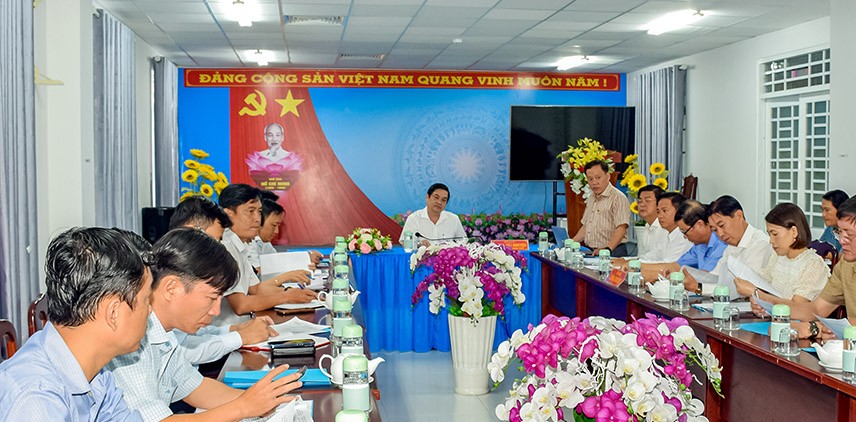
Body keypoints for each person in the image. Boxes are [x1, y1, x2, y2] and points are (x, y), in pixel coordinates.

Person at [108, 228, 303, 421]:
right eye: (211, 298)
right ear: (172, 288)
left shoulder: (165, 334)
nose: (216, 311)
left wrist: (265, 402)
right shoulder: (131, 340)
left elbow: (196, 387)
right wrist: (243, 407)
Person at [0, 227, 152, 420]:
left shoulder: (94, 373)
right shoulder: (35, 401)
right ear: (114, 313)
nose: (150, 310)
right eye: (147, 300)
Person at [216, 184, 315, 325]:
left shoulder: (240, 244)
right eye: (250, 211)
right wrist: (285, 297)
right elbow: (240, 305)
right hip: (229, 334)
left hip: (246, 326)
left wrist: (293, 292)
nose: (257, 219)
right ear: (228, 214)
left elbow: (256, 289)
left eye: (259, 211)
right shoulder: (225, 247)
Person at [783, 197, 856, 340]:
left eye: (850, 234)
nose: (841, 240)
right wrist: (768, 302)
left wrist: (816, 328)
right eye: (839, 232)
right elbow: (817, 309)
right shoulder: (846, 265)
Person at [734, 203, 829, 305]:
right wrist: (761, 305)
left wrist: (755, 292)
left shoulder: (813, 265)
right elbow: (765, 287)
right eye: (769, 234)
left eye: (775, 234)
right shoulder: (778, 256)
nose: (771, 240)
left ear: (794, 231)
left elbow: (797, 308)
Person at [682, 195, 772, 295]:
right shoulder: (730, 245)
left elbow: (743, 288)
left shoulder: (760, 244)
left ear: (739, 215)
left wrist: (699, 288)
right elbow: (715, 277)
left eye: (721, 225)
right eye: (714, 230)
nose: (720, 234)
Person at [637, 200, 728, 281]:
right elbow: (676, 266)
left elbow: (707, 278)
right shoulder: (699, 246)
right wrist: (637, 268)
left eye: (685, 231)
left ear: (700, 224)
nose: (684, 236)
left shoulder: (721, 243)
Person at [572, 160, 630, 257]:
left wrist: (607, 249)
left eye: (598, 178)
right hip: (593, 252)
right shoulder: (591, 198)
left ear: (608, 176)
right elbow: (586, 226)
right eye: (590, 179)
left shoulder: (618, 197)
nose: (594, 182)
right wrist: (570, 243)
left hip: (613, 252)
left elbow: (621, 227)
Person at [399, 183, 466, 246]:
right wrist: (418, 244)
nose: (439, 202)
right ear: (428, 197)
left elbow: (463, 241)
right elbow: (404, 242)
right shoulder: (414, 218)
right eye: (436, 197)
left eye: (443, 200)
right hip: (422, 258)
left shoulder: (453, 219)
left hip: (446, 258)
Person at [640, 192, 692, 262]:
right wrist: (629, 261)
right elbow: (651, 256)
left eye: (665, 211)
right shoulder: (666, 234)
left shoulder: (685, 236)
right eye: (658, 211)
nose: (660, 216)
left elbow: (670, 265)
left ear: (680, 212)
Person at [248, 198, 283, 269]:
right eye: (274, 225)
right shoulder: (248, 242)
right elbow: (258, 273)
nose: (276, 231)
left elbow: (278, 263)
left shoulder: (265, 242)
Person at [634, 184, 667, 258]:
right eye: (639, 201)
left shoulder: (665, 228)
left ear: (660, 204)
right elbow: (641, 257)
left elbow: (657, 260)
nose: (642, 204)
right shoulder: (647, 226)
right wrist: (623, 260)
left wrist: (627, 262)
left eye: (647, 200)